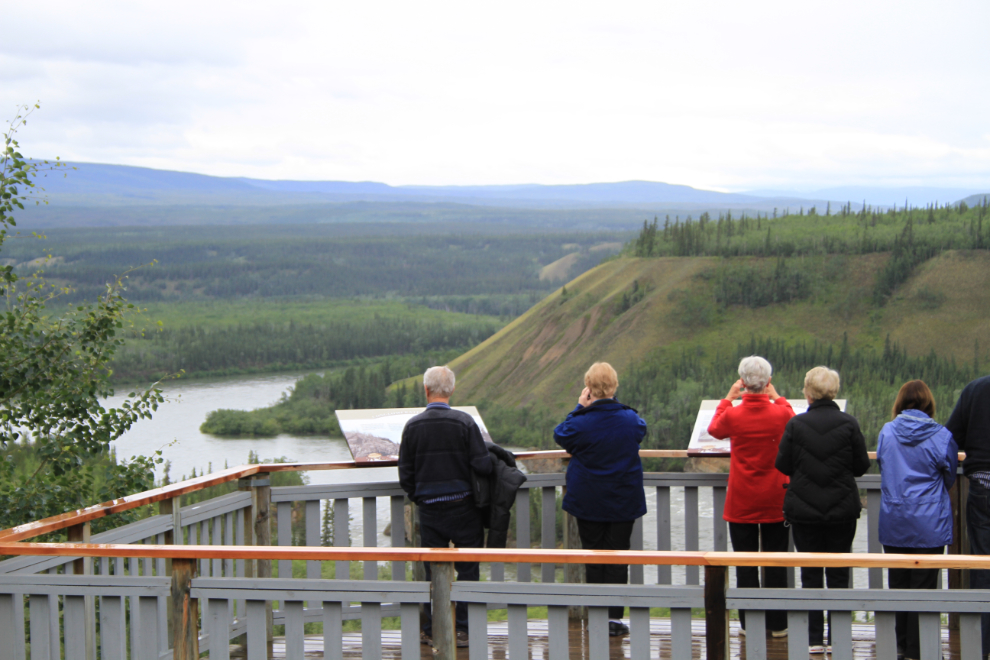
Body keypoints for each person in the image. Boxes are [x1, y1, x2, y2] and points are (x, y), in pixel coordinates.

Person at [775, 366, 870, 654]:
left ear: (808, 393)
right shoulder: (849, 423)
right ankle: (839, 636)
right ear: (834, 391)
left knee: (810, 574)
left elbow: (783, 464)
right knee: (840, 574)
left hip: (804, 511)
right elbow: (861, 466)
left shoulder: (796, 424)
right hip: (842, 510)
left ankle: (813, 639)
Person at [398, 365, 492, 649]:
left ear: (426, 391)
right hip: (464, 507)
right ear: (451, 391)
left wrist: (421, 497)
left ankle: (430, 630)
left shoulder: (413, 426)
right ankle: (463, 630)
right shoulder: (465, 423)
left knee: (432, 571)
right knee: (468, 569)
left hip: (430, 509)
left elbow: (406, 475)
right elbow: (483, 464)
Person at [554, 362, 647, 637]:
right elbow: (640, 431)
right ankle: (614, 620)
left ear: (589, 388)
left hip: (588, 499)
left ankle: (597, 616)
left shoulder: (580, 423)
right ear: (614, 386)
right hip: (622, 499)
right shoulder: (631, 419)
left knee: (593, 555)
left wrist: (579, 407)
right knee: (618, 556)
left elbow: (561, 434)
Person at [707, 355, 794, 637]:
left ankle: (749, 624)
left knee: (745, 564)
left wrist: (727, 398)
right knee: (777, 562)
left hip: (742, 499)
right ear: (767, 382)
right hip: (775, 498)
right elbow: (794, 421)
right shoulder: (781, 414)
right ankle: (779, 625)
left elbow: (714, 428)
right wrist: (778, 397)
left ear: (742, 383)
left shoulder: (733, 414)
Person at [877, 380, 957, 660]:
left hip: (895, 519)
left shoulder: (887, 432)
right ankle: (917, 649)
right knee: (924, 587)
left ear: (900, 403)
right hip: (930, 523)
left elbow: (884, 466)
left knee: (898, 584)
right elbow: (948, 477)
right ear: (928, 403)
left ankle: (900, 646)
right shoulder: (942, 436)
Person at [946, 374, 990, 658]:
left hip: (983, 488)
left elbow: (950, 437)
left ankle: (982, 647)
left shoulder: (975, 389)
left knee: (983, 568)